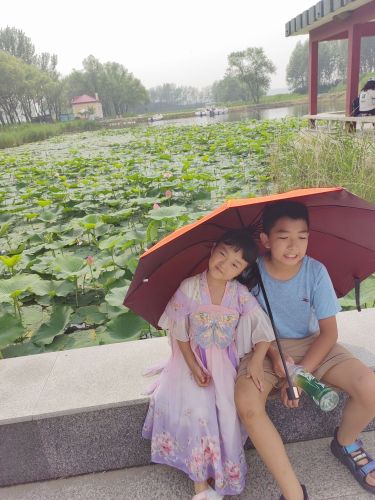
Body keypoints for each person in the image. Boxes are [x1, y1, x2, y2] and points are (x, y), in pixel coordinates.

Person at [235, 201, 375, 500]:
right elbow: (250, 330)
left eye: (302, 236)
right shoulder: (250, 275)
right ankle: (293, 492)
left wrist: (297, 376)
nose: (293, 246)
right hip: (264, 347)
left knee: (370, 386)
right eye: (284, 236)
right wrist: (277, 362)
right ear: (266, 240)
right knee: (246, 403)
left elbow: (329, 333)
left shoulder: (315, 272)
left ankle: (346, 442)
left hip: (313, 343)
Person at [142, 229, 275, 499]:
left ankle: (221, 470)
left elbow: (263, 331)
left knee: (226, 412)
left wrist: (258, 361)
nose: (225, 265)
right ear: (212, 249)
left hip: (224, 366)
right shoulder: (189, 287)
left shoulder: (239, 294)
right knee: (199, 411)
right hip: (189, 362)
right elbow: (178, 333)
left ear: (244, 269)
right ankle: (200, 484)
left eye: (235, 263)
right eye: (222, 255)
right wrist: (193, 366)